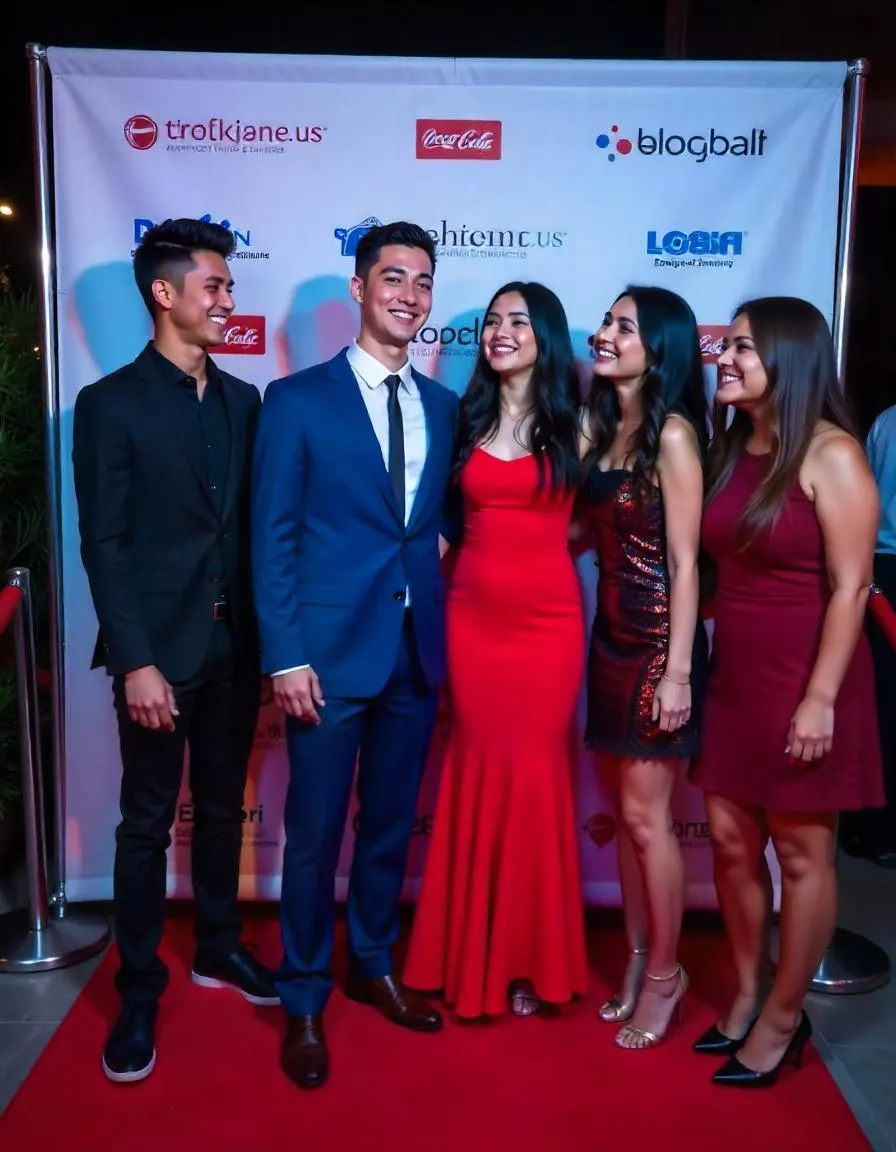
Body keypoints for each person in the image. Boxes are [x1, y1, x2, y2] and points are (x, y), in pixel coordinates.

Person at [251, 221, 458, 1090]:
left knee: (388, 826)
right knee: (313, 835)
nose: (409, 294)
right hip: (326, 661)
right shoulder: (296, 400)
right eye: (393, 277)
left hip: (414, 653)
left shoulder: (444, 406)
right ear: (360, 288)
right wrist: (286, 656)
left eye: (422, 281)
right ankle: (303, 994)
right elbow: (272, 537)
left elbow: (438, 519)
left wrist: (430, 557)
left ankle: (371, 963)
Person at [72, 218, 277, 1086]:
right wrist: (136, 661)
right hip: (158, 655)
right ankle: (139, 989)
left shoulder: (245, 401)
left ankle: (218, 947)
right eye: (215, 286)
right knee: (147, 823)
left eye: (229, 286)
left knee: (225, 808)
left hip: (236, 646)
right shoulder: (109, 404)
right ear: (165, 293)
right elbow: (104, 543)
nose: (229, 300)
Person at [692, 297, 883, 1087]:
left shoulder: (832, 453)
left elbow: (853, 585)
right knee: (731, 843)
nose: (724, 357)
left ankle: (782, 1016)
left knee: (803, 856)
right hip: (736, 676)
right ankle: (747, 991)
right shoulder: (732, 448)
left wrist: (820, 699)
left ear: (788, 358)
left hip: (808, 677)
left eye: (743, 346)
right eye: (726, 345)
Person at [403, 281, 587, 1020]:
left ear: (546, 336)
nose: (500, 332)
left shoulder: (579, 424)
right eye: (492, 322)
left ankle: (528, 960)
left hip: (549, 626)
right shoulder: (461, 419)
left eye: (518, 321)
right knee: (476, 770)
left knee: (536, 777)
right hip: (472, 622)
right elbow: (436, 523)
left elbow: (600, 519)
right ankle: (465, 954)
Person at [577, 285, 709, 1050]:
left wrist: (678, 672)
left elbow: (686, 565)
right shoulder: (605, 425)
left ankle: (665, 975)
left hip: (659, 644)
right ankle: (637, 960)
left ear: (659, 349)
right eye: (606, 322)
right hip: (609, 639)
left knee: (649, 822)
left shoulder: (675, 436)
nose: (604, 334)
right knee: (629, 823)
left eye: (623, 327)